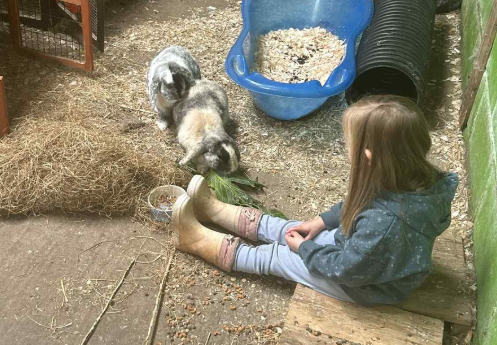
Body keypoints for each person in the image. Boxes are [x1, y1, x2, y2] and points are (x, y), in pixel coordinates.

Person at [172, 95, 458, 306]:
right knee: (292, 229)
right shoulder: (413, 178)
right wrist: (322, 221)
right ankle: (213, 212)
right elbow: (365, 205)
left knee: (278, 255)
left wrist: (305, 249)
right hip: (364, 252)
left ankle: (195, 240)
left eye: (350, 145)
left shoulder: (383, 226)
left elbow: (344, 269)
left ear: (368, 157)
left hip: (364, 284)